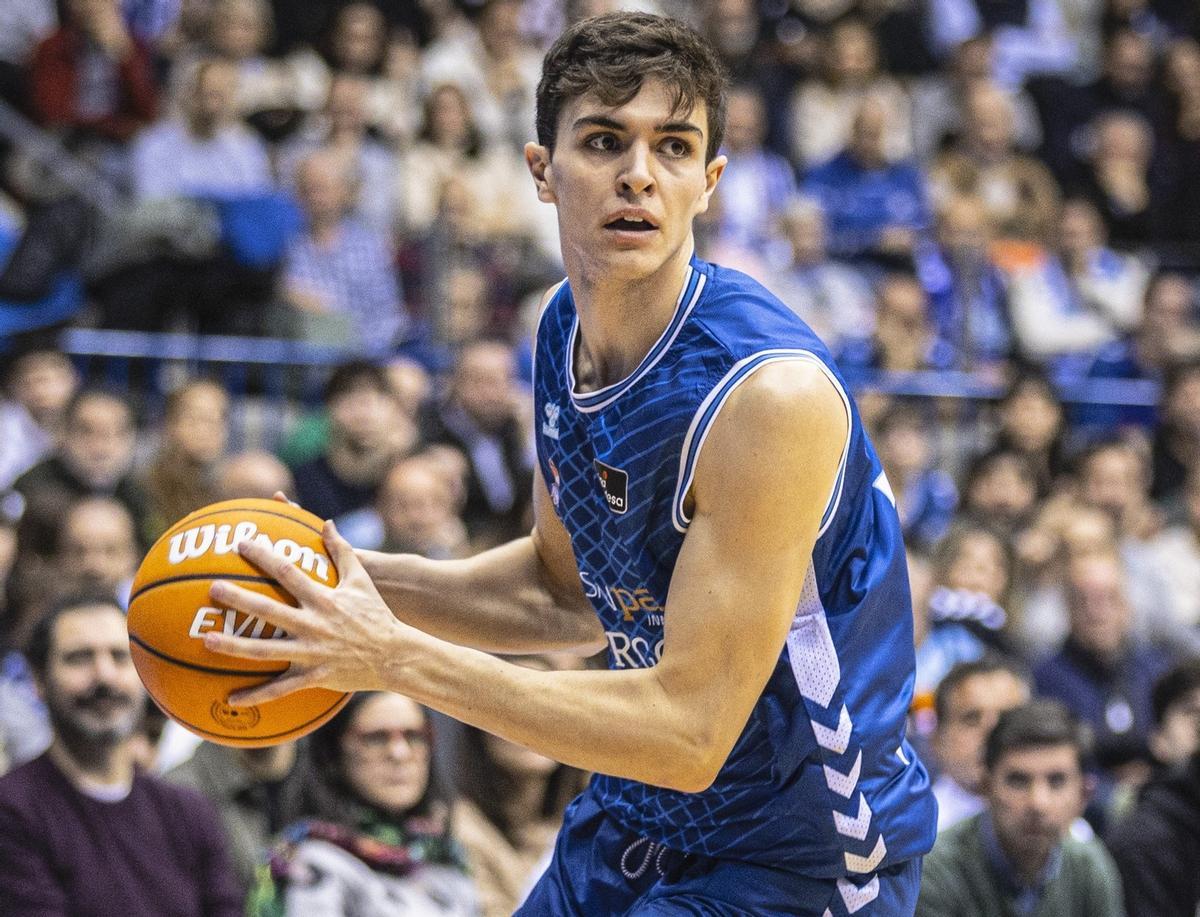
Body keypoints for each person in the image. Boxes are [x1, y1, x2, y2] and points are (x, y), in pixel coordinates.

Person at [204, 13, 937, 915]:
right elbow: (562, 596)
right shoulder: (559, 327)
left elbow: (690, 729)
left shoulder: (766, 397)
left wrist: (391, 657)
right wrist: (327, 578)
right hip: (638, 811)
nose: (638, 173)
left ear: (708, 182)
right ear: (541, 172)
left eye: (673, 146)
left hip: (799, 850)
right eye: (603, 140)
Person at [0, 594, 243, 916]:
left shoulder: (189, 812)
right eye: (79, 658)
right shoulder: (12, 811)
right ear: (39, 680)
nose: (104, 675)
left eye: (119, 656)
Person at [248, 692, 478, 916]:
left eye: (414, 736)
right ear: (333, 752)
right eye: (376, 738)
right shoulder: (308, 860)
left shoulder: (444, 853)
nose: (399, 753)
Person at [917, 701, 1125, 917]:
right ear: (986, 787)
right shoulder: (936, 870)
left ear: (1084, 795)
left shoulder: (1089, 866)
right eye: (1018, 781)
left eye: (1056, 781)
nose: (1037, 803)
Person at [929, 656, 1031, 832]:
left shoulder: (1068, 831)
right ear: (938, 739)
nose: (991, 731)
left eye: (1006, 717)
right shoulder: (914, 834)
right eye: (972, 718)